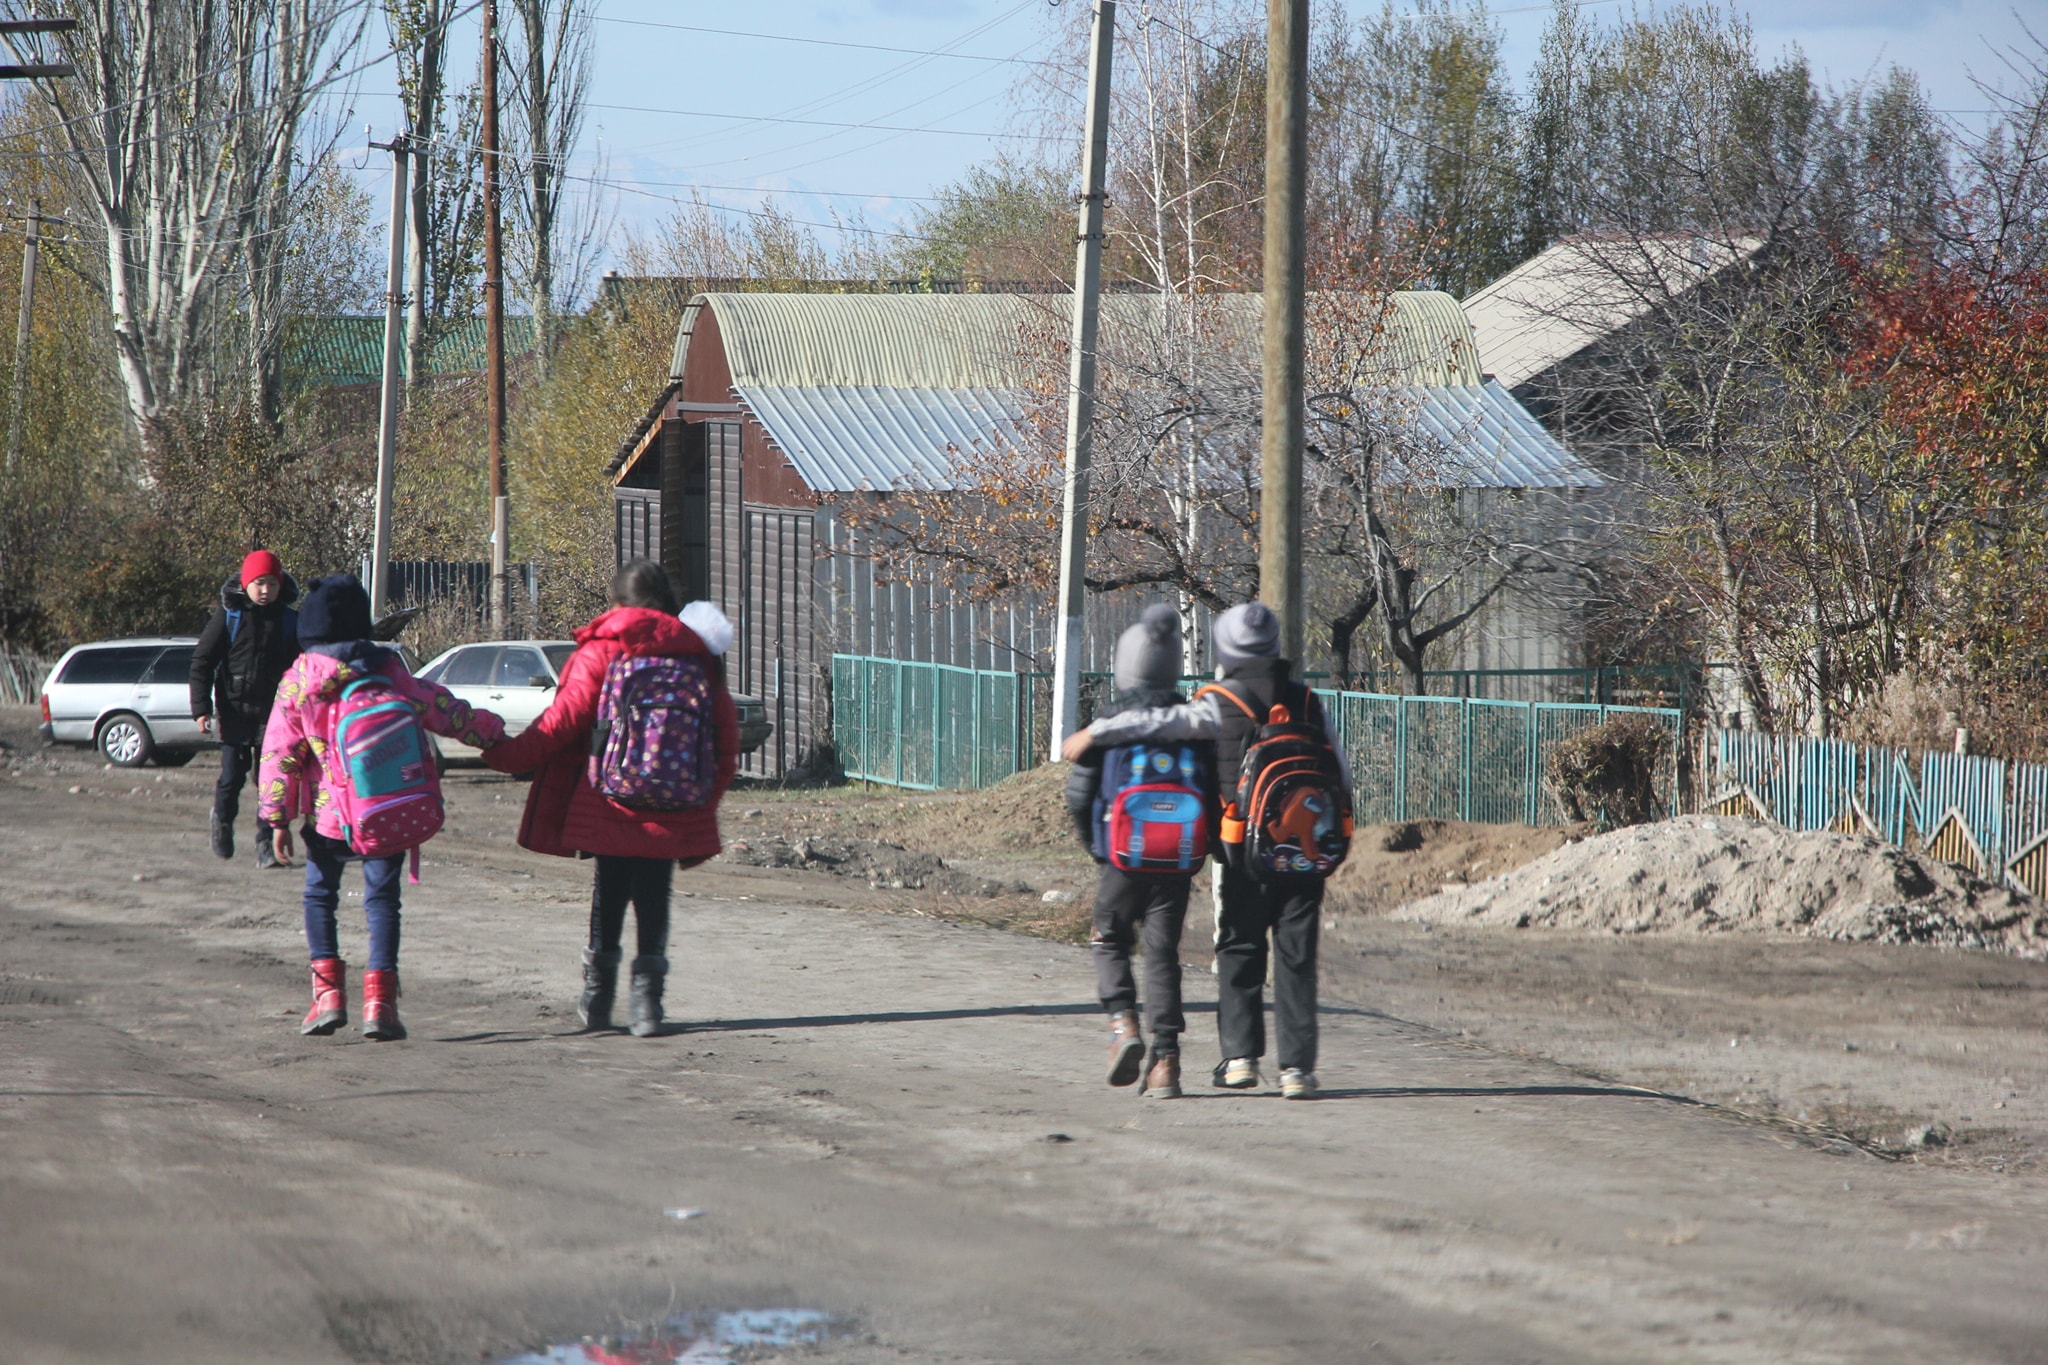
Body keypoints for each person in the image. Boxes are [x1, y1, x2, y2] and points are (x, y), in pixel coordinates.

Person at [1062, 601, 1350, 1100]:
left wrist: (1094, 733)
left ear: (1226, 648)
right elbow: (1339, 774)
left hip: (1240, 850)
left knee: (1239, 946)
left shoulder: (1215, 702)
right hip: (1304, 857)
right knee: (1296, 956)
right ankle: (1295, 1070)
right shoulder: (1307, 701)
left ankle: (1238, 1058)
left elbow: (1148, 725)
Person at [480, 562, 739, 1037]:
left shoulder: (603, 648)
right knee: (655, 893)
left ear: (618, 603)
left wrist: (504, 754)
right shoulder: (699, 655)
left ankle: (598, 997)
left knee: (611, 889)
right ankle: (648, 1005)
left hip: (610, 796)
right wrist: (704, 796)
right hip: (677, 800)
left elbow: (560, 723)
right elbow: (725, 740)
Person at [257, 574, 507, 1041]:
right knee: (383, 901)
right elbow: (442, 708)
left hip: (329, 819)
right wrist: (491, 733)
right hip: (387, 809)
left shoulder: (299, 681)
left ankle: (328, 998)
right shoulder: (387, 667)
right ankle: (381, 1005)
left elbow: (279, 753)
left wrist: (276, 818)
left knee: (319, 895)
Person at [1063, 604, 1215, 1099]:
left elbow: (1080, 795)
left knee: (1109, 937)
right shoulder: (1193, 725)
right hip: (1177, 860)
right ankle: (1166, 1062)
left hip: (1123, 858)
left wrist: (1098, 847)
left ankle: (1123, 1025)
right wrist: (1204, 847)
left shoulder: (1109, 725)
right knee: (1162, 953)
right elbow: (1213, 791)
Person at [189, 549, 301, 865]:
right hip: (235, 713)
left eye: (272, 584)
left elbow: (304, 667)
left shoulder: (290, 621)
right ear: (245, 584)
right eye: (259, 583)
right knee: (232, 777)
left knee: (271, 782)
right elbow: (202, 662)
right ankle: (222, 821)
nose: (265, 590)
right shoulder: (229, 617)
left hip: (276, 717)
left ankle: (265, 844)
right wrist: (201, 708)